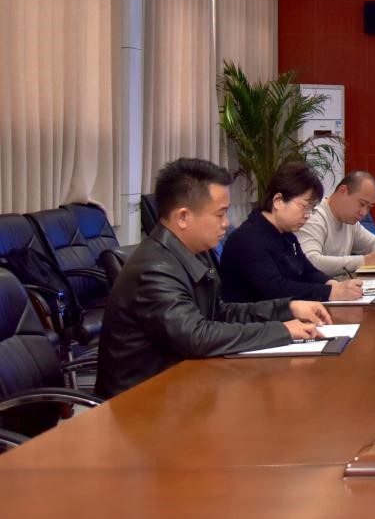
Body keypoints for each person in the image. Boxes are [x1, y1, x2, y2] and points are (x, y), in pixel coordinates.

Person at [95, 158, 331, 398]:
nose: (226, 224)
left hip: (183, 385)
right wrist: (282, 330)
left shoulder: (195, 252)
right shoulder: (154, 269)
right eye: (220, 214)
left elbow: (220, 313)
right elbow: (196, 336)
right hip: (141, 400)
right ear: (183, 217)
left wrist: (287, 308)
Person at [220, 162, 365, 302]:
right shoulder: (248, 239)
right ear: (278, 201)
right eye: (305, 206)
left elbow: (307, 271)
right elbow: (275, 289)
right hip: (255, 317)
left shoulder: (286, 234)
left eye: (312, 209)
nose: (308, 215)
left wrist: (333, 284)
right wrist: (330, 293)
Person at [296, 170, 375, 278]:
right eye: (362, 204)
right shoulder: (313, 216)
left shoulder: (349, 221)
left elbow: (373, 243)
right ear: (343, 191)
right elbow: (311, 262)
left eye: (369, 207)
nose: (364, 213)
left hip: (341, 289)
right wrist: (364, 261)